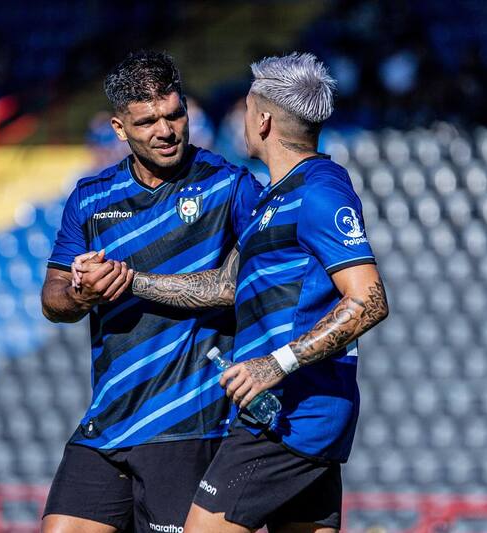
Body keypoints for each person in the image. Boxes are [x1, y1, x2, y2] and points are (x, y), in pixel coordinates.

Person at [80, 52, 389, 532]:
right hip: (292, 412)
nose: (236, 120)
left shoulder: (321, 192)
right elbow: (223, 285)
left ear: (263, 120)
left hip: (288, 414)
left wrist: (275, 363)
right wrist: (129, 279)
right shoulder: (275, 197)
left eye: (243, 108)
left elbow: (369, 300)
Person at [40, 50, 262, 533]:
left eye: (175, 114)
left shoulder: (231, 188)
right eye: (147, 122)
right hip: (108, 420)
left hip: (187, 421)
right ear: (119, 129)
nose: (166, 130)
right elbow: (52, 297)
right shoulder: (90, 198)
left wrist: (131, 281)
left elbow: (244, 286)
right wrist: (81, 293)